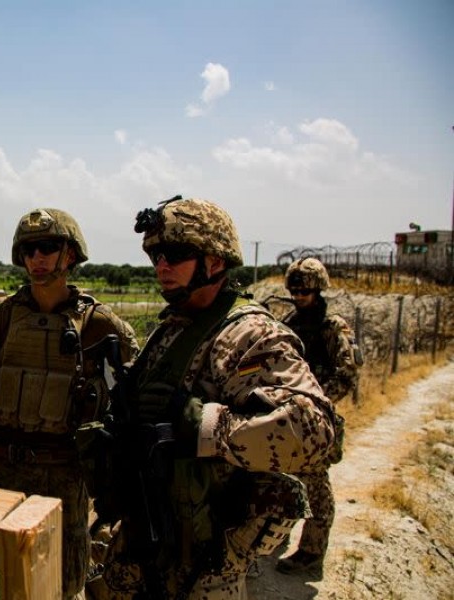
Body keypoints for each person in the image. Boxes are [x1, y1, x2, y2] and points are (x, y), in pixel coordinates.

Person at [96, 196, 337, 599]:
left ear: (216, 262)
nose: (162, 266)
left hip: (206, 558)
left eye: (176, 254)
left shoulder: (250, 334)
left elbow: (314, 431)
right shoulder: (173, 326)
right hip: (144, 531)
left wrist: (210, 427)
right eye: (156, 255)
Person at [0, 208, 138, 599]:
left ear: (69, 254)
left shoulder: (102, 325)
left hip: (62, 478)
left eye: (47, 247)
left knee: (57, 586)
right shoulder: (1, 316)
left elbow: (129, 405)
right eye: (29, 249)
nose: (37, 258)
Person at [276, 257, 360, 574]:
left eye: (305, 292)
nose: (299, 297)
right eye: (294, 291)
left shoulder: (333, 327)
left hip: (316, 415)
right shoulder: (290, 322)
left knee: (316, 485)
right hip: (286, 413)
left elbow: (348, 374)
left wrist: (317, 400)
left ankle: (311, 552)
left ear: (318, 289)